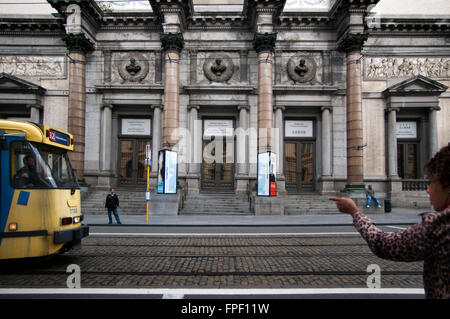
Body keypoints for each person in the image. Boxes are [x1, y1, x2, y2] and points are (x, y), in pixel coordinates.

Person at [329, 144, 449, 299]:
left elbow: (383, 244)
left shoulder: (439, 227)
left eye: (432, 182)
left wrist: (354, 212)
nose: (428, 189)